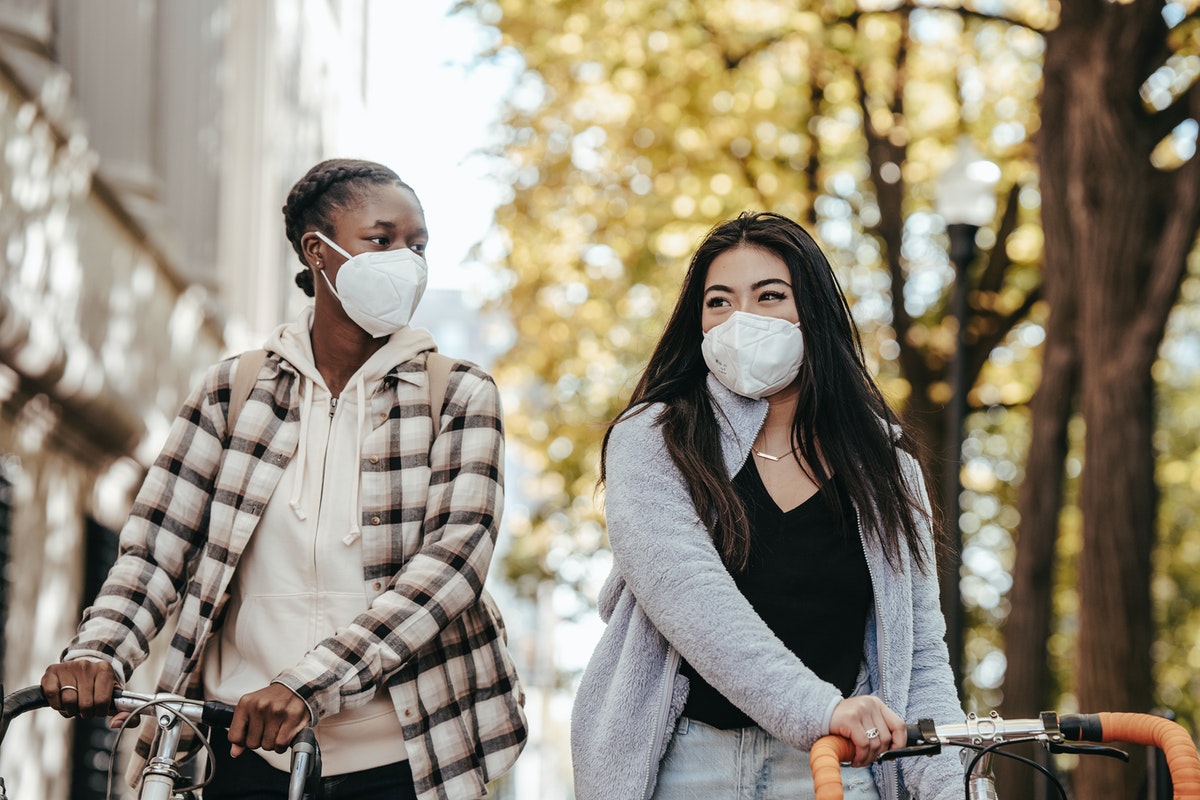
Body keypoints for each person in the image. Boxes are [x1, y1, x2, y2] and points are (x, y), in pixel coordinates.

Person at [41, 158, 527, 800]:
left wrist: (308, 684)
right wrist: (100, 651)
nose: (405, 261)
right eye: (380, 241)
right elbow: (157, 549)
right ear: (317, 252)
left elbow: (452, 564)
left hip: (400, 756)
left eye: (418, 245)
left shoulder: (457, 394)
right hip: (239, 744)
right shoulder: (234, 391)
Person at [571, 211, 964, 799]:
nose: (741, 319)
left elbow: (920, 657)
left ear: (814, 312)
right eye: (719, 301)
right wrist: (821, 709)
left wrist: (945, 788)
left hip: (834, 769)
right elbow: (692, 601)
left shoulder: (885, 467)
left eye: (770, 295)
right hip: (685, 761)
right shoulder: (653, 439)